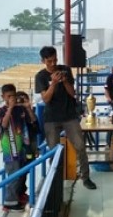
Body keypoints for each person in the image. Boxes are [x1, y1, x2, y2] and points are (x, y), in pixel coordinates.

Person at [34, 46, 97, 190]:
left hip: (69, 116)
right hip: (51, 118)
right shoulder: (41, 76)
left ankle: (86, 177)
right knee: (53, 151)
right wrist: (54, 83)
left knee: (80, 146)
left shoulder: (65, 70)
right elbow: (46, 99)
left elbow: (72, 93)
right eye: (49, 61)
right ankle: (55, 180)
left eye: (55, 60)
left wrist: (65, 81)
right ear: (43, 61)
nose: (53, 63)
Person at [0, 84, 38, 211]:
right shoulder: (1, 110)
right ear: (3, 97)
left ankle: (16, 198)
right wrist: (10, 108)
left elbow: (33, 121)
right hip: (9, 149)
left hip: (20, 149)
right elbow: (3, 125)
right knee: (13, 176)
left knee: (20, 175)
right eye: (8, 96)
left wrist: (28, 108)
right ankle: (9, 202)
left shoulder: (20, 110)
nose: (11, 99)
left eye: (13, 96)